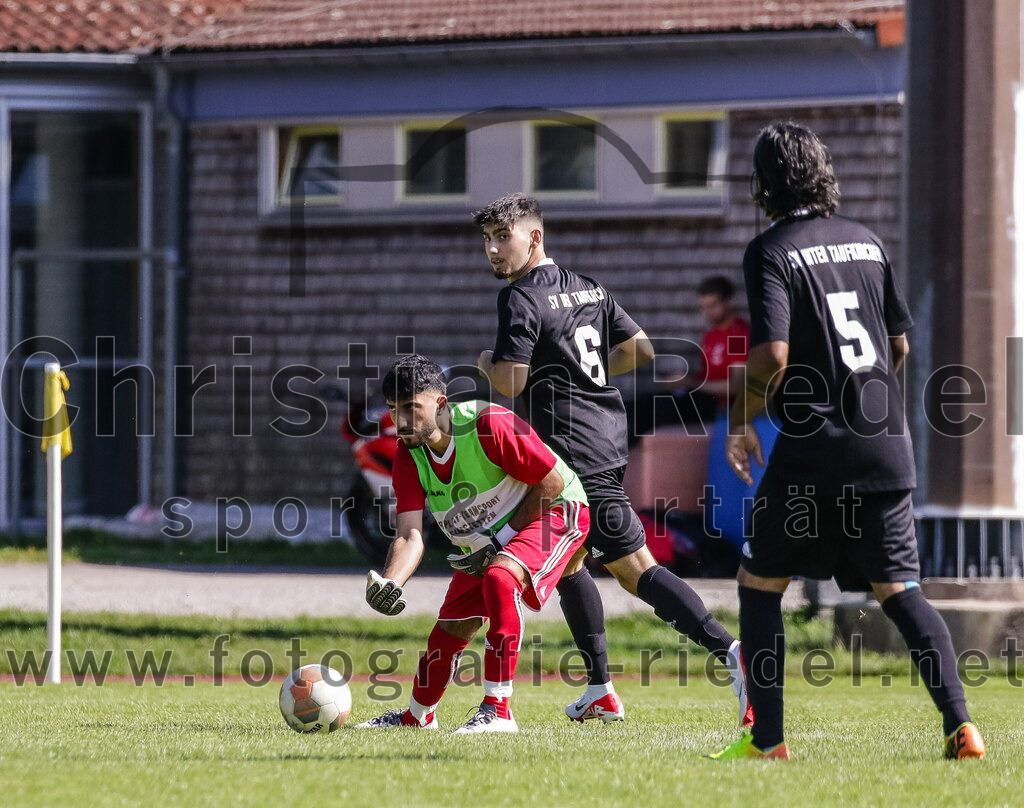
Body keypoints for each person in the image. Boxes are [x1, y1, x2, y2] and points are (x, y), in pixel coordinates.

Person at [708, 121, 985, 760]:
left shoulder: (771, 250)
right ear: (823, 173)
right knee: (901, 591)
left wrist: (745, 420)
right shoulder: (867, 241)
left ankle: (768, 741)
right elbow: (899, 345)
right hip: (885, 444)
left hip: (813, 449)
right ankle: (961, 725)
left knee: (759, 584)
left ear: (764, 183)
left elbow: (772, 353)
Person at [475, 192, 751, 727]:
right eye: (486, 240)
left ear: (534, 237)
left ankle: (733, 654)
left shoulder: (520, 297)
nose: (491, 250)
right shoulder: (589, 287)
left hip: (572, 454)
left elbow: (510, 380)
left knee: (636, 569)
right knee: (571, 562)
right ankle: (600, 689)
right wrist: (587, 376)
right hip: (603, 439)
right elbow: (642, 349)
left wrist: (487, 364)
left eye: (501, 238)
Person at [357, 354, 590, 734]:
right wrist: (391, 582)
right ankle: (417, 717)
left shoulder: (488, 423)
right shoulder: (407, 452)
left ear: (442, 404)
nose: (399, 421)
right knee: (449, 629)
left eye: (410, 408)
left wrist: (500, 542)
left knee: (501, 578)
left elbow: (551, 485)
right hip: (490, 539)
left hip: (558, 510)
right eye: (393, 409)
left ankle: (498, 711)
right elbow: (409, 533)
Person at [696, 275, 750, 411]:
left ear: (728, 301)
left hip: (725, 410)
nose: (707, 312)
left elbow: (736, 386)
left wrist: (692, 384)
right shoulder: (710, 335)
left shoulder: (738, 334)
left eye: (712, 305)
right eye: (704, 307)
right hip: (704, 403)